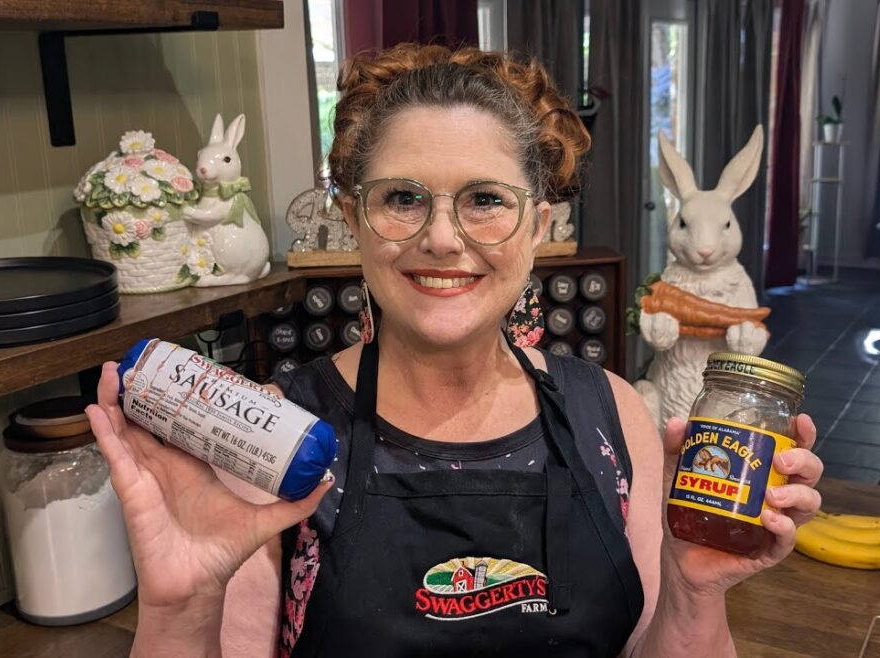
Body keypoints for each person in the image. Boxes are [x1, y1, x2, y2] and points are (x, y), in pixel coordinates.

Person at [85, 44, 824, 657]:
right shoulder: (274, 440)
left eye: (485, 199)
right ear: (355, 223)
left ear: (539, 228)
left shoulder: (614, 416)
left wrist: (694, 590)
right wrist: (180, 608)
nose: (442, 237)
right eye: (402, 198)